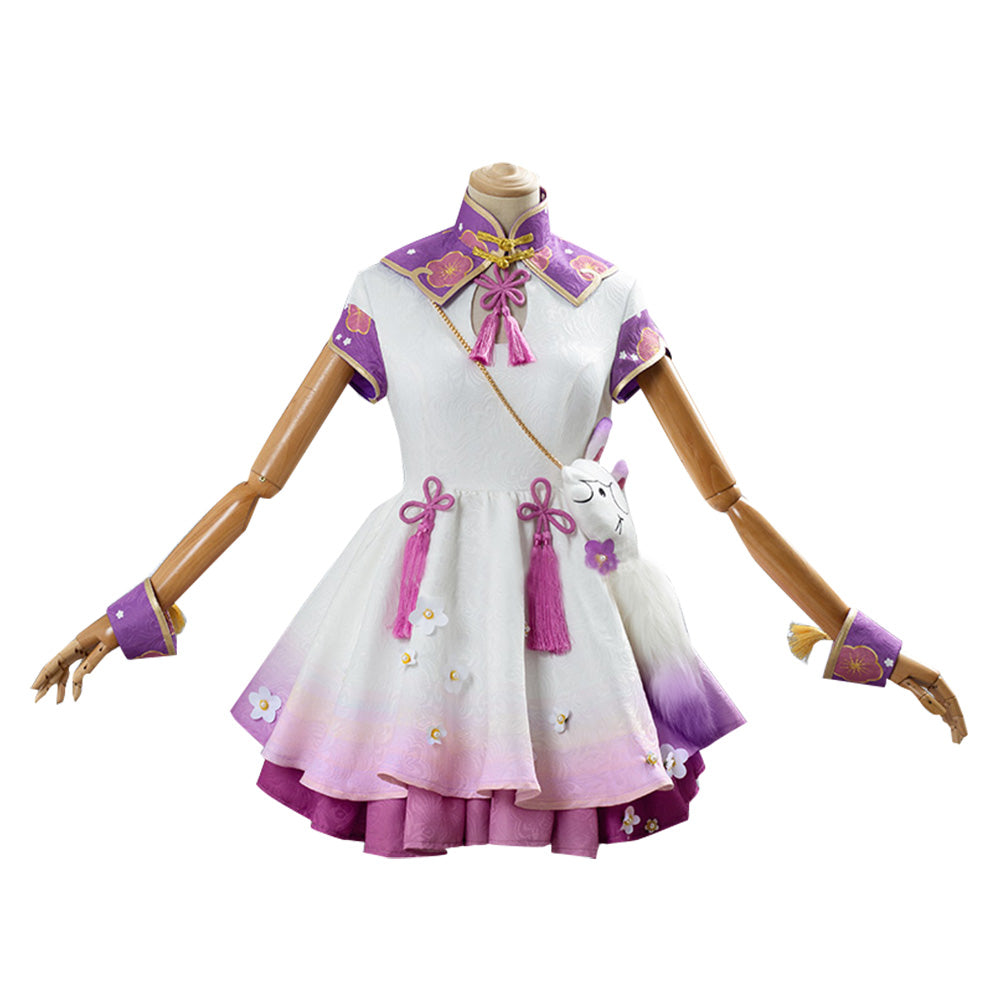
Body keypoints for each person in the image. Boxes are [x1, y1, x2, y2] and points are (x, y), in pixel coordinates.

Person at [32, 162, 966, 858]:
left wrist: (873, 649)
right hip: (415, 607)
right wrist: (128, 617)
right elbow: (260, 482)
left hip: (564, 607)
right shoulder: (387, 286)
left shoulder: (610, 293)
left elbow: (728, 498)